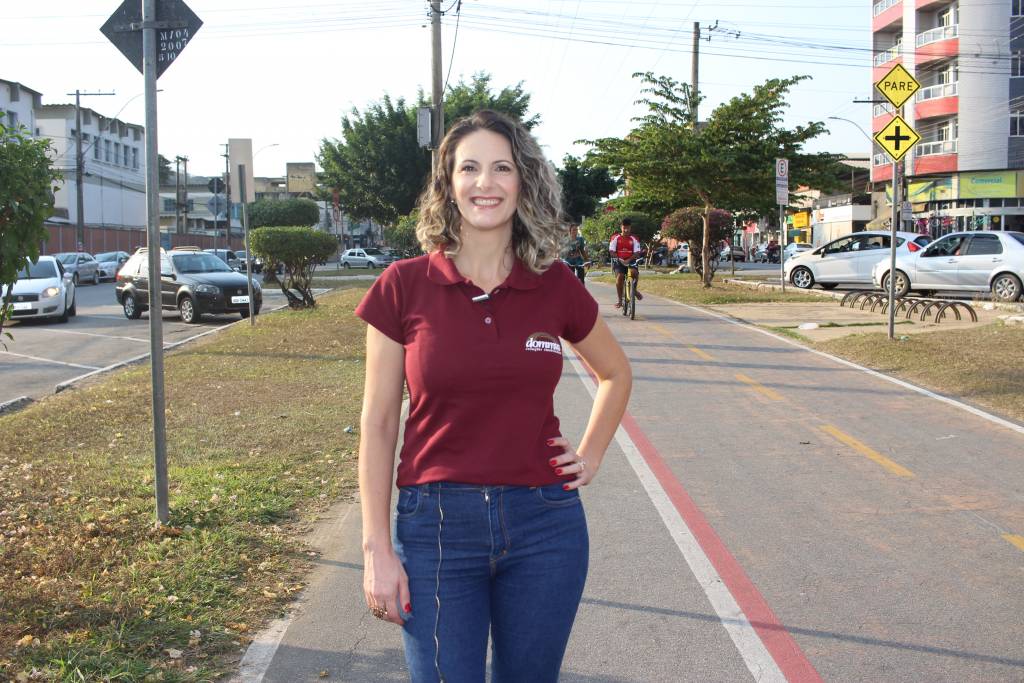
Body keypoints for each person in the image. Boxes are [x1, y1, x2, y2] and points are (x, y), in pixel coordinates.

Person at [354, 109, 632, 682]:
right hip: (435, 527)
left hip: (544, 525)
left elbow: (616, 374)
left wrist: (590, 456)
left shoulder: (555, 284)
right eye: (470, 168)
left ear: (523, 181)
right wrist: (376, 548)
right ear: (448, 183)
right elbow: (378, 425)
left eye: (502, 167)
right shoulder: (402, 285)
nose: (486, 182)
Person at [608, 218, 645, 308]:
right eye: (624, 228)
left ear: (630, 228)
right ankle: (620, 301)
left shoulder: (634, 238)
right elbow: (612, 251)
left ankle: (633, 290)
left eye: (628, 228)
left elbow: (636, 252)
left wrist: (629, 259)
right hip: (619, 261)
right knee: (620, 277)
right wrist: (619, 259)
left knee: (634, 273)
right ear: (621, 227)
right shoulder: (615, 237)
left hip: (631, 260)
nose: (626, 230)